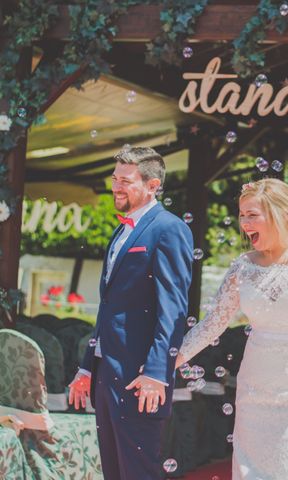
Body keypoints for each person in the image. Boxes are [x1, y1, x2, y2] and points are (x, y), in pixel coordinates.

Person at [175, 178, 288, 480]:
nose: (244, 223)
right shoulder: (242, 267)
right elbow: (211, 326)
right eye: (242, 214)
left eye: (252, 215)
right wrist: (168, 361)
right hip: (256, 390)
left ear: (279, 214)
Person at [68, 147, 194, 479]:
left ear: (153, 185)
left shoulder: (169, 229)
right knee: (113, 470)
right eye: (114, 179)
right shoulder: (120, 231)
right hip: (106, 372)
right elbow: (109, 308)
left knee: (139, 472)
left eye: (125, 181)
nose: (116, 187)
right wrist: (87, 366)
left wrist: (156, 371)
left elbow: (173, 309)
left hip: (140, 378)